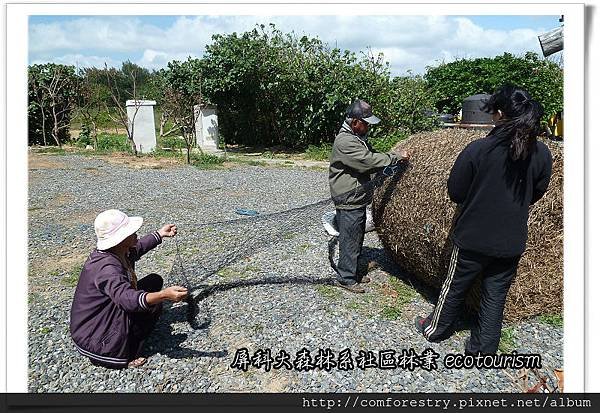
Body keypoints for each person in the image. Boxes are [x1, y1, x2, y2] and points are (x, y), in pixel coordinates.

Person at [415, 85, 553, 354]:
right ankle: (484, 348)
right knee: (495, 296)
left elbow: (455, 191)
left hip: (473, 238)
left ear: (499, 114)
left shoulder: (478, 149)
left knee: (454, 286)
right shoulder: (542, 154)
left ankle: (436, 329)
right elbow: (537, 192)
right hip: (511, 241)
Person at [70, 209, 188, 369]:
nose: (136, 233)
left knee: (154, 281)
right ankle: (124, 354)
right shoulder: (107, 268)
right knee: (154, 306)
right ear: (120, 239)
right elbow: (127, 299)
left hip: (103, 313)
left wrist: (160, 234)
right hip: (94, 339)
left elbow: (138, 248)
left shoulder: (118, 252)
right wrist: (163, 295)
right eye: (131, 232)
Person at [329, 99, 410, 293]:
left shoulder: (356, 137)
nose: (368, 127)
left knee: (356, 236)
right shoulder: (345, 141)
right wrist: (395, 157)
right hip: (348, 198)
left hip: (356, 196)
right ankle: (346, 278)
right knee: (350, 238)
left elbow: (371, 154)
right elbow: (367, 161)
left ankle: (353, 270)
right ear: (355, 121)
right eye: (366, 123)